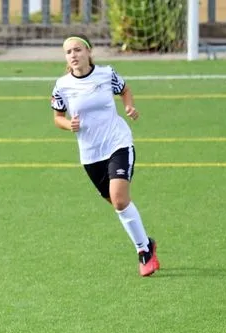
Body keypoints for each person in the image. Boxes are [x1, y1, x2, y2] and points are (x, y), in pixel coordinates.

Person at [51, 35, 161, 277]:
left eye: (78, 50)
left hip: (118, 142)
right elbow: (57, 116)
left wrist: (129, 106)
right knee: (117, 204)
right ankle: (147, 242)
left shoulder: (106, 73)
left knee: (120, 200)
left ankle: (143, 252)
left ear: (88, 52)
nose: (73, 55)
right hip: (90, 154)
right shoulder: (62, 85)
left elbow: (124, 90)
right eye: (68, 52)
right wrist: (68, 124)